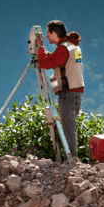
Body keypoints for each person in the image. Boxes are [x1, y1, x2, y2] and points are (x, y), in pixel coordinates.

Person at [36, 20, 85, 161]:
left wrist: (40, 48)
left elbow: (47, 63)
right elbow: (54, 60)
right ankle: (71, 158)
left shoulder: (63, 49)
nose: (46, 37)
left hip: (68, 94)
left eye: (48, 33)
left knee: (68, 129)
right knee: (70, 127)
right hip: (77, 92)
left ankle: (72, 160)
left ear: (55, 33)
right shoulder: (73, 47)